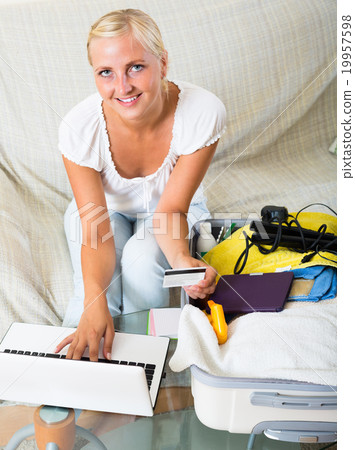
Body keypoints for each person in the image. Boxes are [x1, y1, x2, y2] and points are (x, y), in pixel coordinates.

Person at [55, 9, 226, 361]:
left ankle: (146, 360)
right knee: (90, 297)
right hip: (103, 212)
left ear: (162, 62)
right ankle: (74, 367)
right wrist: (94, 301)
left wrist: (182, 261)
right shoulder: (78, 127)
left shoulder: (203, 111)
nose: (123, 87)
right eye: (106, 72)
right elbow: (94, 222)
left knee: (142, 261)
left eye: (136, 67)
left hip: (173, 209)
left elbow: (172, 210)